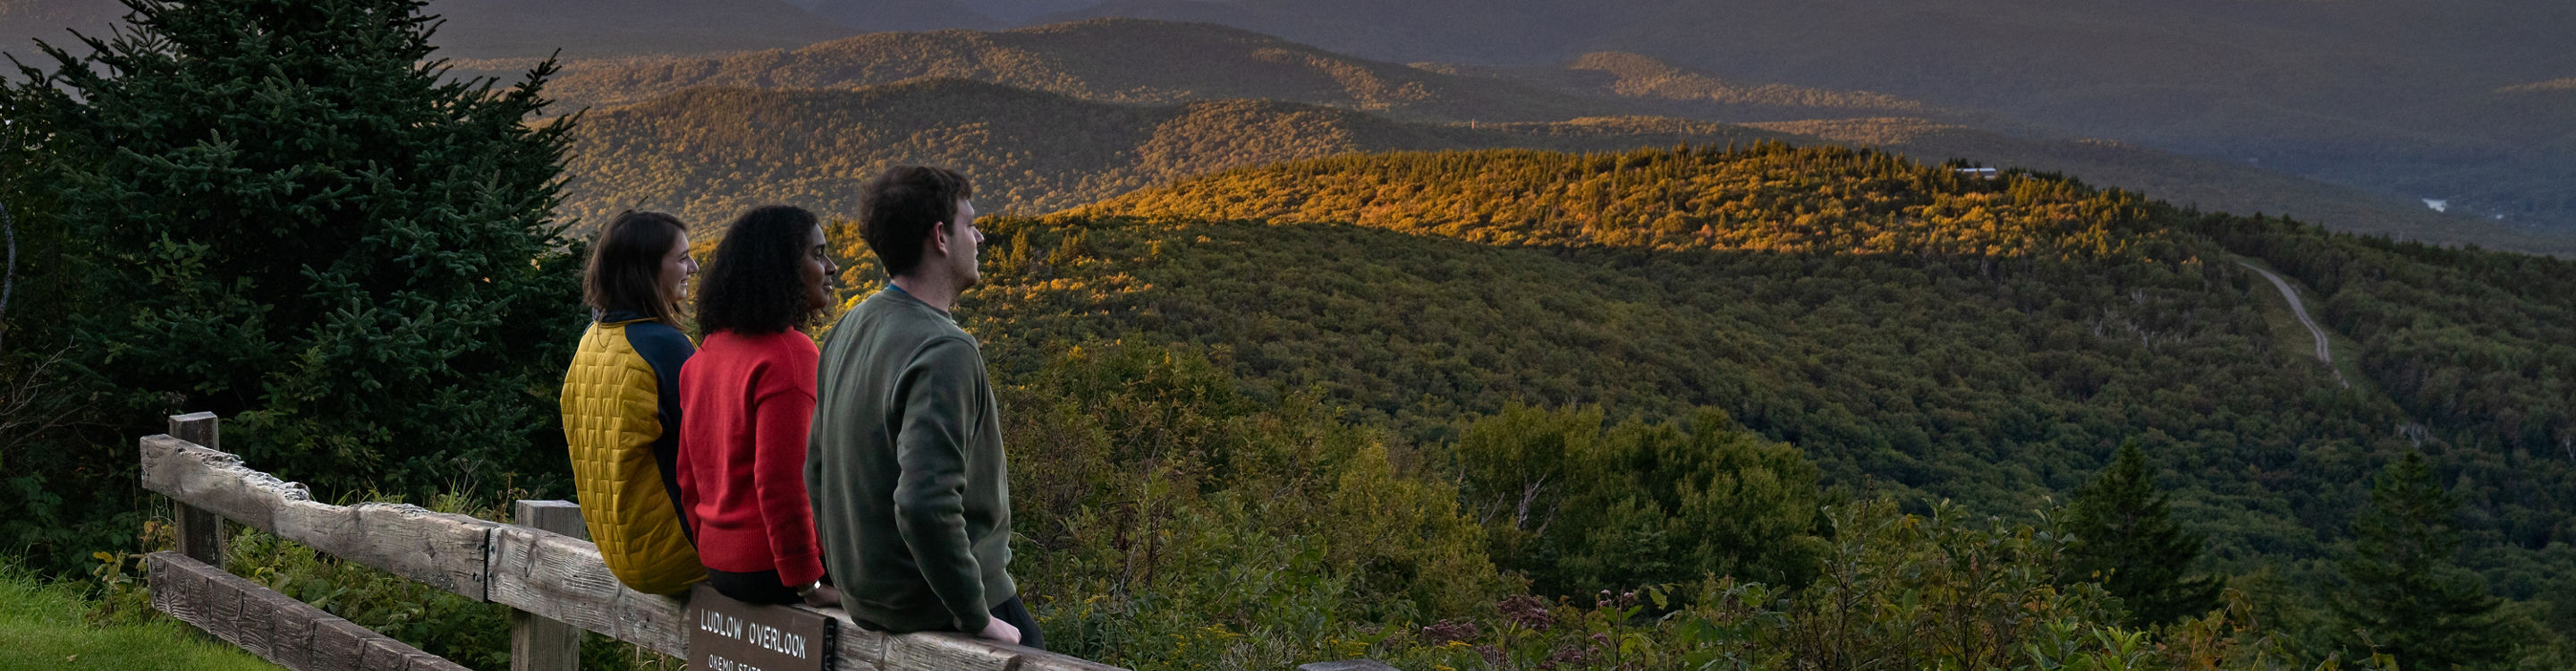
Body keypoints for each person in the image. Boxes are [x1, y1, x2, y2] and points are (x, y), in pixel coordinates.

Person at [809, 166, 1039, 648]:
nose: (978, 236)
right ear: (940, 236)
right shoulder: (944, 350)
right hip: (936, 602)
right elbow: (924, 504)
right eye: (970, 224)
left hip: (867, 598)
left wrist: (846, 577)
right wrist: (977, 617)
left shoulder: (851, 326)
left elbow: (817, 469)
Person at [675, 205, 841, 607]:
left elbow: (687, 477)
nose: (831, 267)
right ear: (781, 268)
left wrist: (714, 548)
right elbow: (783, 482)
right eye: (817, 254)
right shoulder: (788, 355)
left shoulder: (704, 356)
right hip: (775, 570)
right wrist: (809, 584)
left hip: (719, 564)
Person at [561, 210, 705, 595]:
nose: (693, 266)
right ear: (646, 269)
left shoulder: (590, 341)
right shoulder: (664, 347)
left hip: (621, 553)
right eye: (681, 258)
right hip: (678, 555)